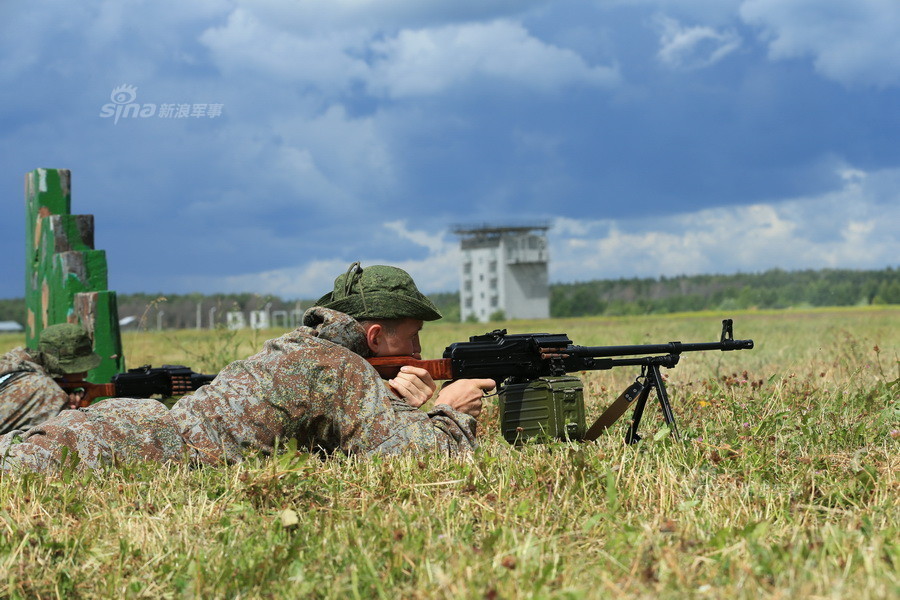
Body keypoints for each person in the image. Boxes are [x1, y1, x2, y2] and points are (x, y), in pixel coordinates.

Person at [0, 263, 495, 472]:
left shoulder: (303, 349)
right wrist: (449, 410)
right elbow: (416, 459)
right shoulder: (339, 369)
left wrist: (393, 404)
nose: (416, 348)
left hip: (123, 432)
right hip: (128, 451)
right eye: (411, 336)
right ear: (373, 337)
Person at [0, 323, 101, 434]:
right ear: (63, 369)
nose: (85, 375)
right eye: (81, 368)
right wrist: (68, 410)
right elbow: (67, 439)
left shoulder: (12, 365)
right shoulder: (46, 390)